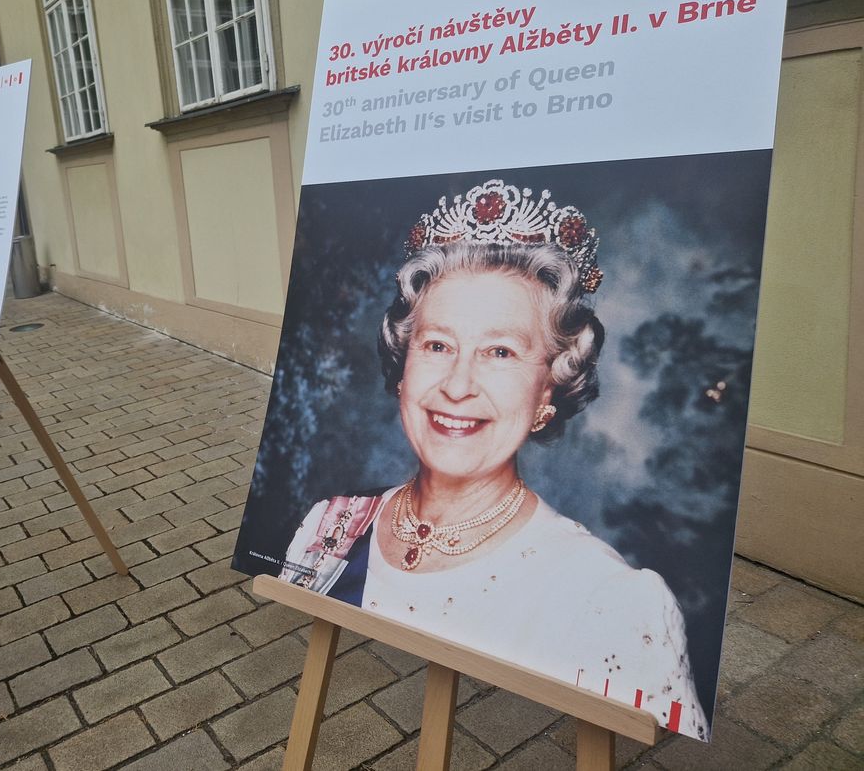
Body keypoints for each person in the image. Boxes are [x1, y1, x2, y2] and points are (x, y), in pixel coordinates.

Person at [278, 179, 709, 740]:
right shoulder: (327, 525)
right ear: (404, 366)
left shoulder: (615, 603)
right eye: (437, 345)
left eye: (500, 352)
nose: (458, 385)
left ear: (549, 388)